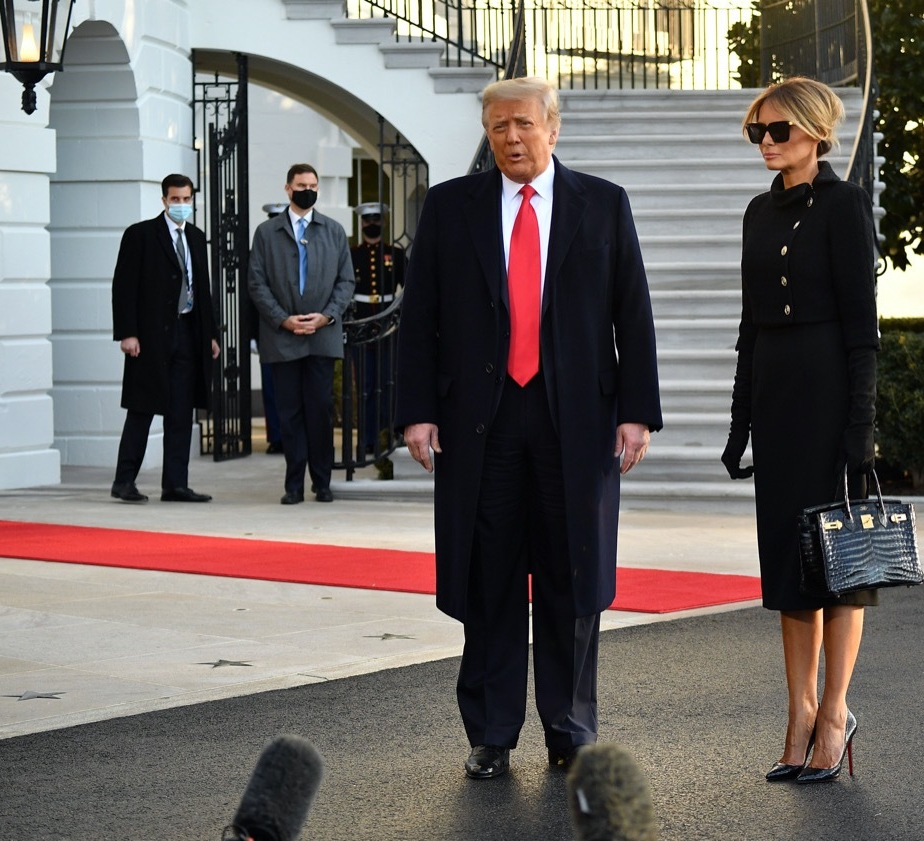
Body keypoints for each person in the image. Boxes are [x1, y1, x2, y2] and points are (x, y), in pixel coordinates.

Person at [396, 76, 662, 781]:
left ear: (553, 126)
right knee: (488, 578)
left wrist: (636, 411)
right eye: (496, 127)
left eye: (521, 124)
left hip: (573, 419)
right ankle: (490, 732)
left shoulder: (602, 204)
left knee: (572, 577)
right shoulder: (451, 207)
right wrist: (417, 411)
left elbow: (631, 312)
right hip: (477, 421)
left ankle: (570, 726)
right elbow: (419, 317)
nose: (510, 138)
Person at [721, 77, 879, 784]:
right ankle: (798, 711)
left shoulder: (845, 207)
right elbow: (750, 327)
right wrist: (739, 420)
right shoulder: (757, 212)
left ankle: (836, 711)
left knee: (838, 567)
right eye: (758, 132)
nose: (767, 143)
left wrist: (861, 430)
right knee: (790, 574)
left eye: (778, 130)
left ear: (815, 132)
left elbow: (864, 332)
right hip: (778, 404)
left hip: (828, 397)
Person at [248, 164, 355, 505]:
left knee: (320, 410)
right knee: (289, 413)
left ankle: (322, 482)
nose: (307, 189)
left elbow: (346, 282)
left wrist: (326, 316)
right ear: (288, 188)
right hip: (283, 339)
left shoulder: (334, 231)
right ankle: (293, 484)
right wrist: (284, 319)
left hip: (322, 338)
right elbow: (256, 282)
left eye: (312, 185)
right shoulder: (267, 233)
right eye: (300, 184)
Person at [110, 173, 220, 503]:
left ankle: (175, 484)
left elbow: (204, 291)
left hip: (188, 334)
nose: (182, 205)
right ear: (164, 200)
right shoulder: (141, 235)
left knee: (181, 412)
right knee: (142, 409)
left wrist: (210, 335)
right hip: (150, 338)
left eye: (187, 200)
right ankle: (124, 481)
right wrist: (127, 332)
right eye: (176, 199)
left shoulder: (197, 239)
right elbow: (124, 287)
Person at [348, 201, 406, 473]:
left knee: (388, 385)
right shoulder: (352, 254)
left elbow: (409, 289)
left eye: (376, 219)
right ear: (361, 224)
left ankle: (387, 436)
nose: (372, 223)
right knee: (366, 387)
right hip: (361, 328)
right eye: (367, 219)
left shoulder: (394, 254)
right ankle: (367, 439)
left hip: (388, 329)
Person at [258, 202, 288, 456]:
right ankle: (276, 437)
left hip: (300, 329)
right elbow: (252, 293)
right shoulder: (261, 248)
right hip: (269, 329)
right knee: (271, 389)